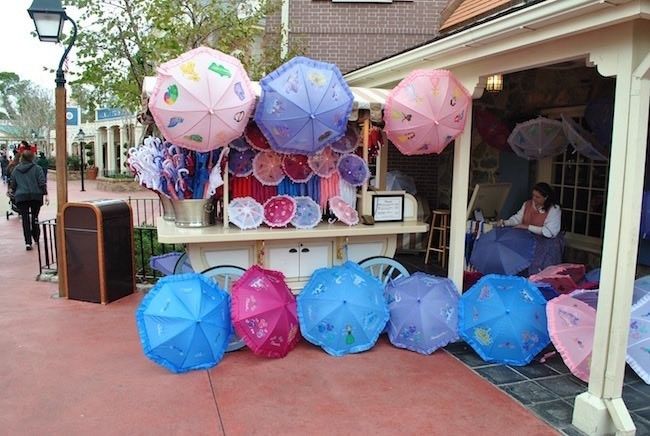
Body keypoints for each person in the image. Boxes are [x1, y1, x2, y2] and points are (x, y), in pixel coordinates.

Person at [497, 182, 563, 274]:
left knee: (541, 271)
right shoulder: (527, 204)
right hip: (528, 241)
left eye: (537, 197)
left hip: (547, 244)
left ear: (546, 197)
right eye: (533, 195)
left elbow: (550, 232)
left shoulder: (554, 209)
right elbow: (517, 219)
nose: (534, 199)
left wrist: (527, 227)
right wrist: (505, 222)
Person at [9, 150, 49, 250]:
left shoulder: (16, 170)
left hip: (21, 197)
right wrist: (45, 194)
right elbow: (41, 182)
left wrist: (11, 191)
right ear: (32, 158)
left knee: (25, 219)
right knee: (35, 216)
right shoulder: (37, 168)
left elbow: (13, 183)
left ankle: (28, 242)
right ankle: (36, 236)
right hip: (36, 196)